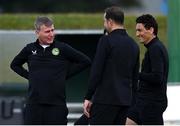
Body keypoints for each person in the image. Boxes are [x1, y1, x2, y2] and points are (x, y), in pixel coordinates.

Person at [10, 16, 91, 125]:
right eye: (47, 31)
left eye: (52, 30)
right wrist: (30, 76)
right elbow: (14, 65)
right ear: (37, 32)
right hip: (34, 105)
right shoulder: (29, 49)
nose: (51, 34)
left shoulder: (62, 48)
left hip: (56, 106)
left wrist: (64, 75)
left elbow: (85, 61)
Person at [83, 6, 140, 125]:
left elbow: (96, 71)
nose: (104, 24)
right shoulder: (133, 45)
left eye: (104, 21)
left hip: (105, 100)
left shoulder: (106, 41)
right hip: (125, 102)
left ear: (110, 22)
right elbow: (135, 78)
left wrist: (88, 96)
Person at [126, 14, 169, 125]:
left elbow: (157, 77)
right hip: (143, 102)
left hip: (151, 104)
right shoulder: (154, 48)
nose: (137, 34)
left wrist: (136, 74)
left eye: (140, 30)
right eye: (136, 30)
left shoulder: (155, 49)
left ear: (151, 29)